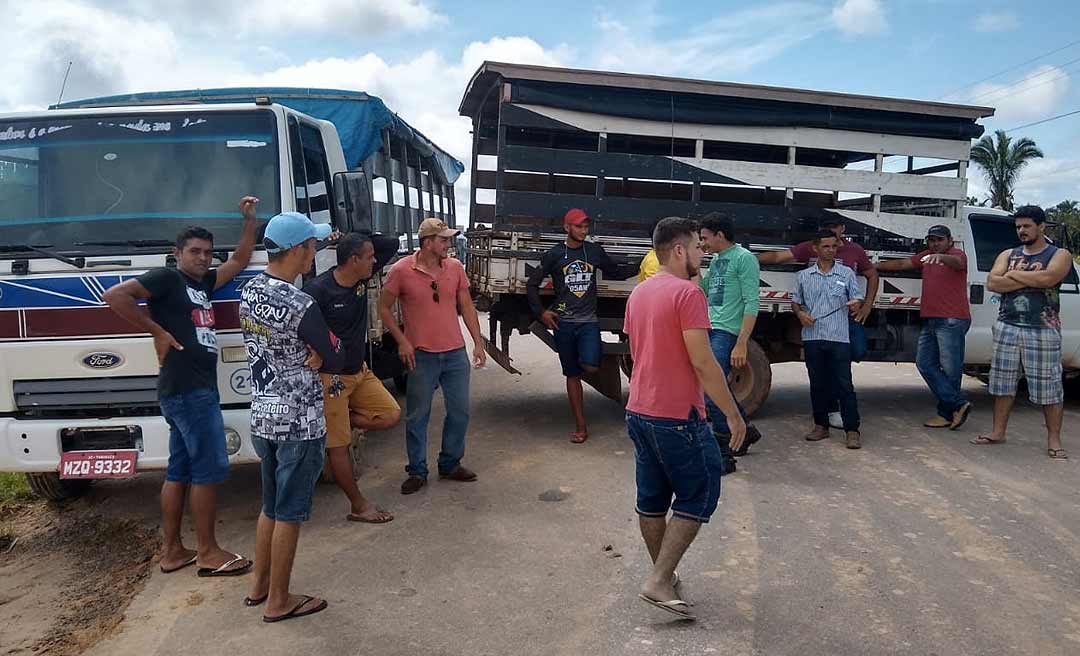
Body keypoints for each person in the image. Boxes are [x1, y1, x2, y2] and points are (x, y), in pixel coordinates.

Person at [103, 196, 258, 578]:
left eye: (207, 252)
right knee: (209, 469)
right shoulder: (167, 278)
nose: (203, 258)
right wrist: (157, 330)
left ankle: (173, 551)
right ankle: (208, 552)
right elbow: (115, 296)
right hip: (188, 390)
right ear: (177, 253)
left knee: (180, 470)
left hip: (189, 389)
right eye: (195, 251)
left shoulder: (202, 282)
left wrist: (249, 222)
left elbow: (237, 261)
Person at [624, 216, 745, 622]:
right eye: (697, 247)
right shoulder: (687, 293)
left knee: (653, 499)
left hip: (639, 410)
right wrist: (733, 414)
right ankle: (659, 579)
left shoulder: (639, 294)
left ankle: (665, 576)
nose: (702, 253)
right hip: (677, 416)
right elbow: (704, 362)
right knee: (701, 490)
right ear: (679, 250)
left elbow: (639, 351)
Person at [240, 211, 344, 622]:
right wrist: (322, 355)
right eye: (312, 245)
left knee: (270, 506)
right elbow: (337, 357)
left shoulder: (249, 292)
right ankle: (279, 600)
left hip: (264, 414)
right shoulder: (301, 303)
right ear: (299, 250)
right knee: (290, 512)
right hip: (299, 420)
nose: (314, 252)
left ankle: (259, 586)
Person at [379, 217, 487, 494]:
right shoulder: (401, 270)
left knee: (460, 411)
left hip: (454, 354)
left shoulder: (455, 268)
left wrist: (477, 342)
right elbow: (383, 308)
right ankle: (417, 470)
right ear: (427, 242)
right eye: (443, 240)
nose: (448, 244)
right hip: (421, 355)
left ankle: (450, 463)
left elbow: (466, 307)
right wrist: (402, 341)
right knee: (418, 415)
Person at [304, 232, 402, 523]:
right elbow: (304, 330)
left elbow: (391, 244)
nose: (375, 260)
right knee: (339, 447)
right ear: (353, 260)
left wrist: (343, 236)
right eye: (369, 256)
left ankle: (337, 423)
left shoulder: (361, 279)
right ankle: (358, 506)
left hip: (359, 371)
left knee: (390, 415)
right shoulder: (317, 291)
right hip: (331, 380)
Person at [526, 208, 636, 443]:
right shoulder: (555, 254)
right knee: (571, 374)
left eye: (586, 227)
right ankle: (581, 426)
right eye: (579, 226)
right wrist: (542, 313)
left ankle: (593, 371)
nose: (584, 231)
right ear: (567, 228)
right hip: (563, 323)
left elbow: (616, 273)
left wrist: (645, 263)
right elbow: (532, 285)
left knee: (591, 365)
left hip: (588, 322)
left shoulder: (594, 251)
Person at [758, 215, 878, 428]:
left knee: (858, 351)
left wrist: (866, 304)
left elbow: (871, 274)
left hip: (845, 319)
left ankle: (845, 420)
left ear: (843, 228)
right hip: (816, 324)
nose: (831, 244)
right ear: (817, 246)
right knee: (824, 374)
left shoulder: (854, 253)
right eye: (827, 229)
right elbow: (778, 257)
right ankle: (831, 414)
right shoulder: (808, 254)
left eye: (835, 228)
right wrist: (748, 258)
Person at [975, 205, 1073, 459]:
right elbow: (993, 282)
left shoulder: (1059, 254)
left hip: (1043, 328)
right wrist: (1031, 276)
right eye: (1018, 227)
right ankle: (998, 432)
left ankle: (1054, 440)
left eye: (1027, 226)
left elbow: (1049, 279)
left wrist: (1014, 274)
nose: (1022, 231)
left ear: (1041, 226)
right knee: (1002, 383)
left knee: (1049, 386)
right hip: (1007, 325)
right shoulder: (1008, 253)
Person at [877, 225, 973, 429]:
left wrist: (942, 258)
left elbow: (957, 262)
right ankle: (957, 405)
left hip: (951, 320)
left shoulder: (957, 255)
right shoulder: (927, 255)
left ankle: (947, 413)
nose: (935, 244)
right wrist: (874, 266)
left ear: (950, 240)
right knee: (925, 364)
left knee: (950, 370)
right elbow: (903, 264)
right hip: (931, 319)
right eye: (931, 240)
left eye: (939, 239)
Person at [699, 214, 764, 471]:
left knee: (711, 386)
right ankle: (744, 431)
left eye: (705, 237)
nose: (702, 242)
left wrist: (741, 343)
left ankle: (725, 445)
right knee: (716, 386)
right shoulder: (716, 260)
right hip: (711, 328)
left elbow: (752, 302)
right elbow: (703, 290)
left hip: (728, 332)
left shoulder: (744, 259)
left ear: (720, 235)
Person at [791, 231, 865, 449]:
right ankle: (820, 426)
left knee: (844, 385)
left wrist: (857, 303)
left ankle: (852, 430)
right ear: (816, 248)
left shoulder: (846, 274)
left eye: (834, 246)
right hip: (813, 337)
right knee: (817, 384)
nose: (831, 250)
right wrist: (800, 314)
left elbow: (857, 296)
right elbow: (796, 301)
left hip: (839, 337)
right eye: (826, 246)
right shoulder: (804, 276)